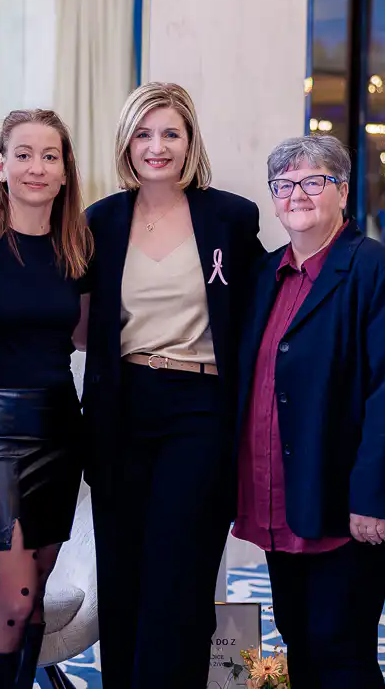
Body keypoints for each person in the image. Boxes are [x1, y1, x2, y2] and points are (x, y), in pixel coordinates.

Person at [82, 82, 264, 687]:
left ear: (190, 143)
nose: (156, 146)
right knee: (122, 577)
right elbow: (82, 323)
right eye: (143, 133)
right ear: (126, 143)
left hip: (199, 409)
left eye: (170, 133)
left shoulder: (230, 217)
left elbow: (263, 305)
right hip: (121, 410)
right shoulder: (101, 221)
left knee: (178, 579)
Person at [233, 135, 385, 688]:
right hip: (280, 495)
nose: (297, 194)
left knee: (342, 649)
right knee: (299, 635)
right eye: (284, 184)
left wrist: (373, 498)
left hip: (344, 502)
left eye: (314, 181)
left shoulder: (378, 270)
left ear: (342, 190)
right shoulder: (264, 273)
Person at [0, 109, 92, 687]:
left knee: (34, 598)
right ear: (0, 167)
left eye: (50, 156)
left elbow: (84, 336)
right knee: (15, 599)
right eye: (24, 154)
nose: (37, 167)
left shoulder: (79, 246)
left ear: (65, 171)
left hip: (60, 427)